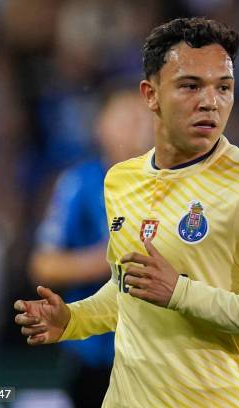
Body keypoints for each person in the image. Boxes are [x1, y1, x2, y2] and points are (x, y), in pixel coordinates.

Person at [14, 17, 239, 407]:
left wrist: (181, 292)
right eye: (191, 85)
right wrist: (73, 320)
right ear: (150, 95)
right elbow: (129, 291)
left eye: (224, 87)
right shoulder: (120, 181)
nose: (211, 101)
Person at [29, 89, 153, 407]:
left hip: (156, 355)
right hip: (93, 356)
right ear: (101, 126)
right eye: (125, 117)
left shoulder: (174, 184)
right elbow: (42, 265)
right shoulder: (80, 183)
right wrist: (103, 261)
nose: (136, 126)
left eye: (144, 117)